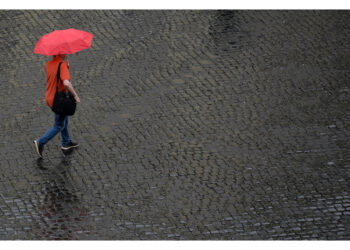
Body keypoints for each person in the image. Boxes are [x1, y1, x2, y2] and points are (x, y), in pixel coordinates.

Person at [34, 54, 80, 158]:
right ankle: (40, 142)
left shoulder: (49, 64)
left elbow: (56, 78)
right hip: (59, 100)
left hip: (50, 97)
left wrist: (66, 67)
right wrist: (75, 95)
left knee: (64, 119)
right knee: (59, 125)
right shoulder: (61, 65)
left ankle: (66, 142)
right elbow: (66, 83)